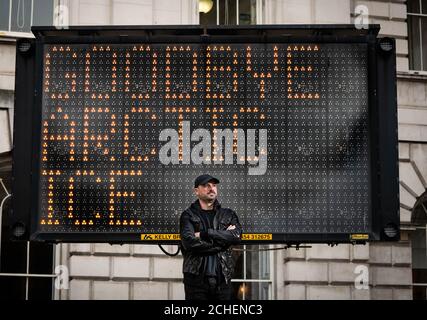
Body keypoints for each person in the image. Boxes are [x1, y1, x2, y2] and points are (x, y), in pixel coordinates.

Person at [179, 174, 242, 300]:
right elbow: (190, 243)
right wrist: (222, 243)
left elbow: (236, 236)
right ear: (196, 191)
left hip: (223, 279)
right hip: (195, 281)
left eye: (213, 185)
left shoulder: (228, 214)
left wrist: (205, 234)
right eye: (206, 185)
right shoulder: (188, 215)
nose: (211, 188)